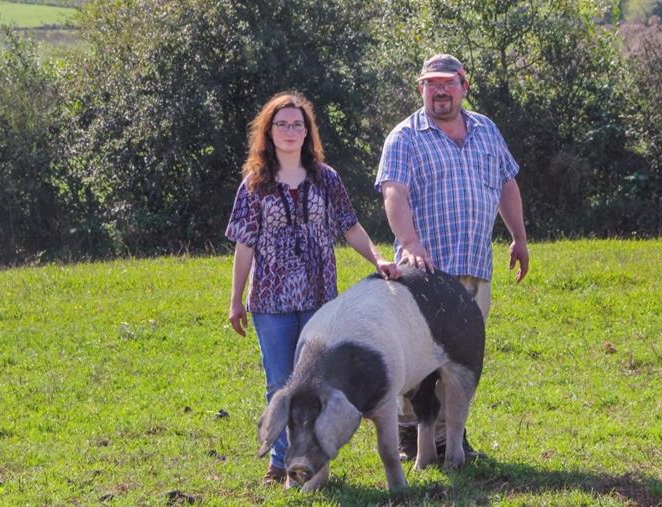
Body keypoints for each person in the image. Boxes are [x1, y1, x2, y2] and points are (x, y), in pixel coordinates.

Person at [226, 91, 400, 486]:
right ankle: (282, 462)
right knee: (280, 384)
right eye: (283, 124)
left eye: (298, 124)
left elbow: (350, 227)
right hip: (271, 301)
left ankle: (316, 464)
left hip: (322, 301)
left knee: (319, 386)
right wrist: (236, 299)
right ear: (268, 132)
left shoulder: (327, 178)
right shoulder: (254, 183)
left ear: (308, 132)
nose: (290, 130)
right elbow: (244, 244)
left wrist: (379, 260)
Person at [375, 54, 530, 461]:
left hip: (475, 269)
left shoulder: (486, 130)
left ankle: (450, 438)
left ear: (464, 85)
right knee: (419, 361)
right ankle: (413, 436)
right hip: (425, 273)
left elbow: (507, 183)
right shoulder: (405, 136)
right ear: (421, 88)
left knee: (460, 361)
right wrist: (409, 242)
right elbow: (394, 192)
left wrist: (519, 237)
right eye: (431, 83)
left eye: (447, 82)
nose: (439, 90)